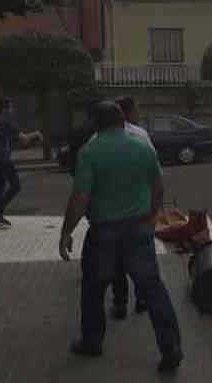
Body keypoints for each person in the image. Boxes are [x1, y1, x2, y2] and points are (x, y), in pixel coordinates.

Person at [59, 101, 182, 372]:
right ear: (122, 120)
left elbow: (80, 197)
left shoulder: (89, 152)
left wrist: (66, 231)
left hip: (104, 231)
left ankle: (92, 342)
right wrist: (151, 216)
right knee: (152, 288)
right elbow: (159, 186)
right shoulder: (142, 148)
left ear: (96, 123)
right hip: (139, 230)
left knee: (93, 288)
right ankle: (171, 346)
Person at [108, 96, 153, 318]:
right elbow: (153, 171)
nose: (139, 112)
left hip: (111, 210)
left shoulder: (100, 138)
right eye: (137, 108)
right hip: (138, 207)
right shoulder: (140, 135)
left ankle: (120, 302)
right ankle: (142, 298)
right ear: (127, 112)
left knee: (117, 260)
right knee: (140, 257)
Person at [0, 97, 42, 228]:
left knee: (0, 185)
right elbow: (23, 138)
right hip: (2, 157)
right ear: (4, 108)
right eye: (10, 107)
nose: (12, 110)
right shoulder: (8, 122)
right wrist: (36, 134)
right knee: (15, 185)